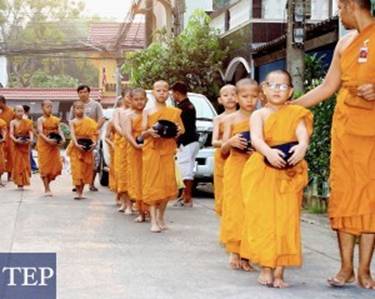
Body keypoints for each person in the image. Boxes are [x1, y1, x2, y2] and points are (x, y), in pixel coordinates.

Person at [293, 0, 375, 289]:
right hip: (346, 131)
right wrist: (289, 107)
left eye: (339, 8)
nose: (339, 14)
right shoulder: (344, 43)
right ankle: (345, 269)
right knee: (344, 195)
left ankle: (365, 270)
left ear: (351, 4)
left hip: (373, 133)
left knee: (369, 200)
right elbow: (327, 87)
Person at [241, 70, 312, 288]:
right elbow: (256, 139)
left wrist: (302, 147)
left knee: (286, 219)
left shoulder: (296, 113)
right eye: (272, 85)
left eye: (282, 86)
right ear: (264, 89)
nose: (277, 89)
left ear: (290, 91)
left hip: (288, 172)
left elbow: (302, 136)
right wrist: (268, 152)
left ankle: (280, 271)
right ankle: (265, 267)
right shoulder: (259, 115)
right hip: (263, 169)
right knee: (263, 218)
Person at [220, 79, 258, 272]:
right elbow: (223, 151)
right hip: (235, 166)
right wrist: (231, 142)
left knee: (252, 209)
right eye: (245, 96)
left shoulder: (262, 118)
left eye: (253, 96)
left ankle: (247, 253)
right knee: (235, 208)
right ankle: (235, 250)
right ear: (237, 97)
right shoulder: (230, 120)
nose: (249, 101)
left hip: (255, 168)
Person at [141, 80, 185, 233]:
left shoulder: (174, 112)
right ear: (153, 93)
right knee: (153, 185)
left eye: (165, 90)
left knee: (167, 186)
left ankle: (161, 216)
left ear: (169, 93)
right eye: (158, 90)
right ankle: (153, 220)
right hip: (152, 152)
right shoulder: (147, 112)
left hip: (167, 152)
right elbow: (143, 133)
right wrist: (149, 133)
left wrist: (178, 131)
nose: (162, 93)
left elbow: (181, 130)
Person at [69, 85, 104, 191]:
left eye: (85, 92)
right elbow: (70, 121)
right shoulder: (74, 106)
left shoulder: (96, 105)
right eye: (80, 92)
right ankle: (78, 182)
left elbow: (101, 119)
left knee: (93, 162)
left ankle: (91, 183)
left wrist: (93, 130)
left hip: (92, 137)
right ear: (78, 93)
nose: (83, 94)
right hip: (78, 138)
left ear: (89, 93)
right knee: (77, 163)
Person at [172, 82, 200, 208]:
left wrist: (177, 142)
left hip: (186, 142)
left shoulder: (182, 108)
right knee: (187, 168)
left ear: (177, 93)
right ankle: (184, 196)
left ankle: (187, 197)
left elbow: (180, 128)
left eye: (173, 93)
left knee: (185, 169)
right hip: (192, 141)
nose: (173, 96)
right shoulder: (190, 105)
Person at [212, 84, 237, 216]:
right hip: (222, 157)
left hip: (240, 157)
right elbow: (214, 142)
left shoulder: (246, 117)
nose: (230, 98)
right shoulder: (218, 119)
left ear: (238, 98)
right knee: (223, 192)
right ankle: (227, 229)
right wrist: (229, 142)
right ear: (220, 100)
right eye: (226, 95)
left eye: (233, 94)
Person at [125, 88, 148, 223]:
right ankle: (140, 211)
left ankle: (150, 208)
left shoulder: (149, 114)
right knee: (138, 179)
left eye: (142, 99)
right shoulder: (130, 116)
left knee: (149, 179)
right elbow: (127, 133)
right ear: (131, 100)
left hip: (149, 149)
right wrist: (135, 145)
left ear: (146, 100)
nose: (139, 102)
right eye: (136, 99)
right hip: (135, 149)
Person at [67, 101, 98, 200]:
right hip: (76, 148)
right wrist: (76, 144)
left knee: (85, 170)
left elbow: (94, 134)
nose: (79, 110)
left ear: (84, 109)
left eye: (81, 108)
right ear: (74, 110)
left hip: (87, 148)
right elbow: (72, 134)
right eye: (77, 108)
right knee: (77, 170)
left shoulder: (90, 121)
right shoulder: (72, 122)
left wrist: (94, 143)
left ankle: (81, 192)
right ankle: (77, 192)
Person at [36, 100, 65, 196]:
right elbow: (40, 132)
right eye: (47, 107)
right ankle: (47, 188)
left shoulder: (56, 119)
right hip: (44, 145)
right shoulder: (40, 120)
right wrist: (47, 140)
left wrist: (63, 138)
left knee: (57, 167)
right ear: (42, 108)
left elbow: (59, 130)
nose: (49, 109)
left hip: (54, 145)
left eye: (51, 107)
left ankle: (47, 183)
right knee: (44, 167)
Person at [113, 89, 133, 214]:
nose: (130, 98)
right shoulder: (118, 111)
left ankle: (131, 204)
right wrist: (125, 134)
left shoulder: (136, 111)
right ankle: (124, 202)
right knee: (122, 174)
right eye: (128, 96)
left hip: (132, 144)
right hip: (121, 144)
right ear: (123, 97)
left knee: (132, 173)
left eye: (132, 96)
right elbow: (116, 124)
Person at [9, 106, 34, 189]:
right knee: (18, 163)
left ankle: (23, 181)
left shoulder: (27, 122)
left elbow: (30, 132)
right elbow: (11, 134)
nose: (20, 113)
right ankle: (19, 182)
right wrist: (15, 140)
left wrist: (31, 139)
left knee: (25, 163)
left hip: (25, 144)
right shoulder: (13, 122)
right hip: (17, 145)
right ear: (15, 112)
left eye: (22, 111)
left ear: (24, 112)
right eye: (18, 111)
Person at [0, 96, 15, 179]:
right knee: (1, 156)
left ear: (2, 102)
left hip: (10, 136)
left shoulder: (12, 111)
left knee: (10, 155)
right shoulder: (0, 113)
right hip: (2, 136)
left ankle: (10, 175)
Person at [23, 105, 38, 173]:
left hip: (24, 137)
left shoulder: (24, 118)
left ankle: (31, 166)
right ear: (28, 111)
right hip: (26, 137)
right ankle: (33, 167)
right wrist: (36, 136)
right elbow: (31, 129)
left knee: (28, 153)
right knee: (29, 152)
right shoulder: (26, 118)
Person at [105, 120, 117, 198]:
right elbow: (106, 138)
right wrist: (112, 144)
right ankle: (118, 194)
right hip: (115, 149)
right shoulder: (112, 122)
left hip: (127, 147)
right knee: (116, 171)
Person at [0, 118, 7, 186]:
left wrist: (3, 138)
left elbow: (4, 132)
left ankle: (0, 180)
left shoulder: (1, 122)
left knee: (0, 163)